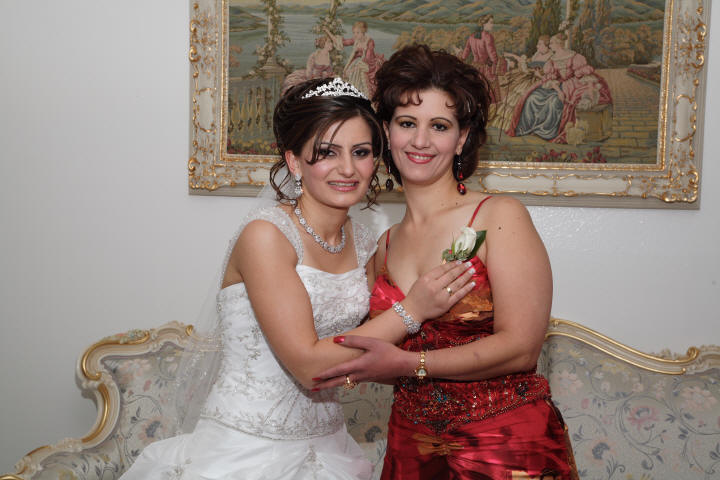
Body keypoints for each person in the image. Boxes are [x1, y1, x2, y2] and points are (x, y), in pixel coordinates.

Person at [118, 77, 476, 480]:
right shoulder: (266, 236)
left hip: (329, 447)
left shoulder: (364, 244)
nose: (347, 168)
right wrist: (413, 309)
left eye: (361, 152)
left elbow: (374, 348)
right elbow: (308, 365)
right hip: (246, 451)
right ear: (294, 161)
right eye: (326, 152)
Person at [314, 46, 578, 479]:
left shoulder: (498, 216)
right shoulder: (382, 246)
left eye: (439, 126)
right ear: (386, 132)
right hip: (411, 447)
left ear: (461, 138)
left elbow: (521, 347)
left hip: (505, 445)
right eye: (407, 123)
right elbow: (374, 351)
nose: (420, 141)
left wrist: (410, 366)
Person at [507, 32, 612, 143]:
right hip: (558, 85)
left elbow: (585, 75)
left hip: (573, 85)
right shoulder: (552, 60)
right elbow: (550, 78)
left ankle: (548, 133)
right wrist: (559, 91)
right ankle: (532, 128)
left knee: (554, 102)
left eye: (552, 43)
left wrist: (589, 90)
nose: (550, 45)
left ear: (559, 44)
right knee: (532, 98)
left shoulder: (575, 57)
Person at [460, 14, 506, 104]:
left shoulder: (471, 36)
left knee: (476, 93)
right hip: (486, 69)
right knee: (489, 96)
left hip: (474, 69)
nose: (492, 25)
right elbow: (493, 56)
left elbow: (464, 55)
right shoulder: (488, 37)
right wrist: (502, 62)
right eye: (491, 23)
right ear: (484, 24)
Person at [334, 21, 385, 98]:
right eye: (354, 32)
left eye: (357, 33)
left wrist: (359, 66)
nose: (355, 35)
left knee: (361, 77)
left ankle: (362, 97)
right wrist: (329, 33)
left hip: (368, 63)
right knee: (350, 75)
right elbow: (345, 42)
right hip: (358, 61)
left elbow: (368, 57)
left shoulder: (369, 41)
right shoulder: (356, 39)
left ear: (363, 32)